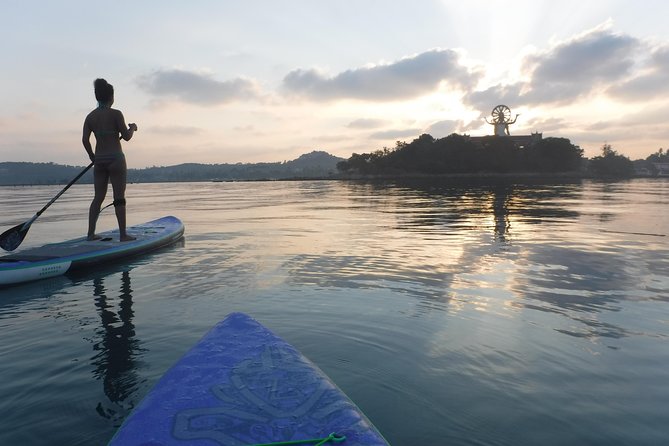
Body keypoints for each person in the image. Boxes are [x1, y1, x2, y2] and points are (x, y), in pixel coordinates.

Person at [82, 78, 138, 241]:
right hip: (115, 159)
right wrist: (132, 127)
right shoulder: (116, 114)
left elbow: (85, 140)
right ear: (111, 97)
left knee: (98, 197)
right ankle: (123, 235)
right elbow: (126, 137)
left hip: (99, 161)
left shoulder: (90, 117)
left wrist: (92, 156)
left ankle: (91, 234)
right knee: (119, 197)